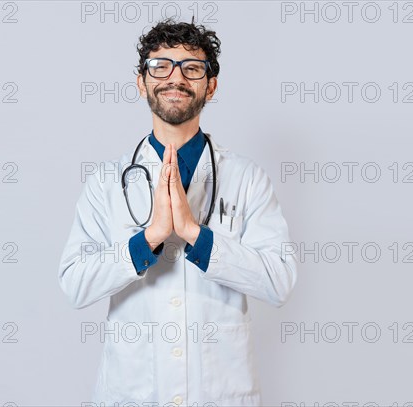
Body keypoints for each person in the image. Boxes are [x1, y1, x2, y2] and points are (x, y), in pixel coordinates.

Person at [58, 18, 298, 406]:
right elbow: (75, 284)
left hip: (219, 394)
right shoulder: (105, 182)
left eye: (192, 68)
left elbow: (279, 282)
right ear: (142, 82)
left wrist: (194, 234)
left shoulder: (248, 179)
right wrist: (148, 239)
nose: (175, 77)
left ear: (211, 85)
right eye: (160, 66)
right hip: (134, 392)